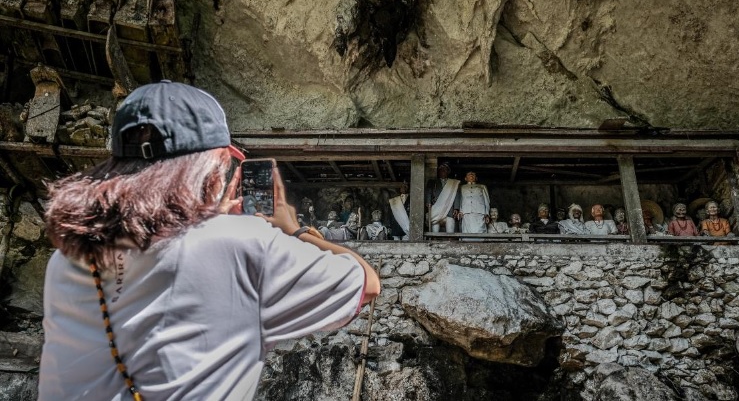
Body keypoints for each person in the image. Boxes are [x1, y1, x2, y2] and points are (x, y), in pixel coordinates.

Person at [38, 81, 380, 400]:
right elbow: (366, 283)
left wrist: (208, 217)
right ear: (213, 164)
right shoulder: (242, 243)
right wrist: (294, 229)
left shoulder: (65, 260)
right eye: (232, 160)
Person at [426, 162, 460, 233]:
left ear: (448, 172)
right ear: (438, 172)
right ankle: (434, 241)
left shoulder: (453, 183)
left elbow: (457, 194)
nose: (443, 171)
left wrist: (456, 208)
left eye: (445, 170)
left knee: (450, 229)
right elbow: (429, 192)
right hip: (436, 208)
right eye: (441, 170)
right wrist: (428, 202)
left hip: (449, 210)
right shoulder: (433, 182)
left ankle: (450, 241)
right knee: (435, 230)